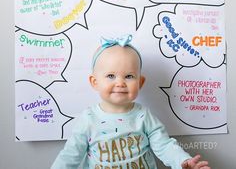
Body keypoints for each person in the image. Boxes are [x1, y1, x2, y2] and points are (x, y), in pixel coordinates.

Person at [51, 35, 211, 169]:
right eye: (111, 76)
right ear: (94, 82)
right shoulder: (88, 119)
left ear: (140, 83)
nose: (120, 83)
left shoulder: (143, 115)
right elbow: (70, 155)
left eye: (128, 76)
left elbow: (164, 145)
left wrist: (182, 161)